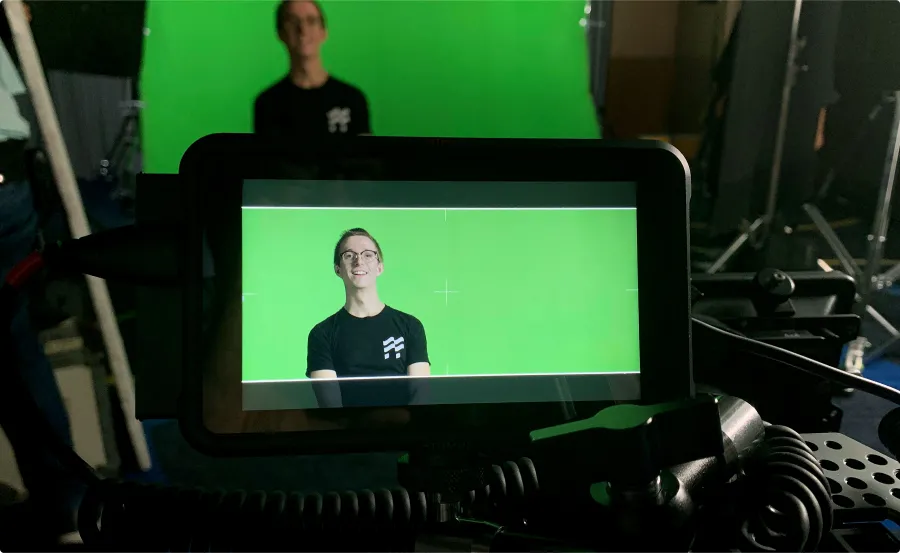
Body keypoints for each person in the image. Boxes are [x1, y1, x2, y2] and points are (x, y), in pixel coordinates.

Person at [0, 19, 82, 547]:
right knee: (17, 350)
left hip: (9, 189)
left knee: (16, 351)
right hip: (10, 187)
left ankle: (64, 509)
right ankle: (65, 511)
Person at [307, 228, 430, 408]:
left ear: (380, 267)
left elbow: (421, 399)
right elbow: (331, 408)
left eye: (368, 255)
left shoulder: (411, 326)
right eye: (349, 255)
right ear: (337, 269)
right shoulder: (322, 334)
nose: (359, 261)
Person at [254, 0, 371, 139]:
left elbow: (366, 157)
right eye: (292, 21)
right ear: (280, 34)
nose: (302, 30)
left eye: (311, 21)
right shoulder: (268, 104)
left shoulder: (352, 99)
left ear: (324, 32)